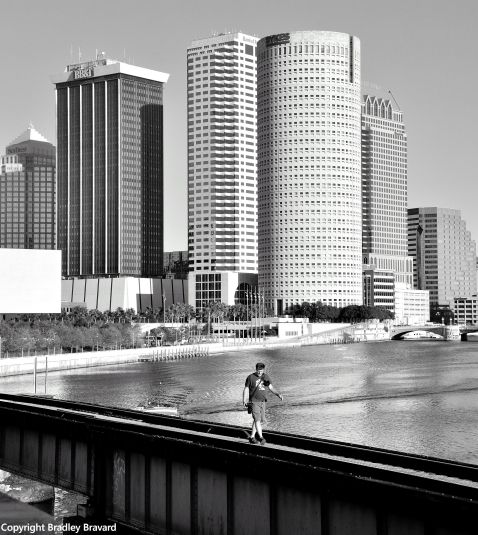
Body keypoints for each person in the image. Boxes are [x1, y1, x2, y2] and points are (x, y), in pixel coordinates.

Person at [243, 362, 283, 445]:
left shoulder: (266, 377)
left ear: (263, 370)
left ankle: (252, 437)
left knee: (258, 420)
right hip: (254, 402)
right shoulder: (250, 377)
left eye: (261, 370)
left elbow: (270, 387)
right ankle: (261, 438)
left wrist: (278, 394)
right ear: (256, 369)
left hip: (263, 402)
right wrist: (244, 399)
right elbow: (246, 388)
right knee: (257, 420)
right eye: (258, 370)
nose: (259, 372)